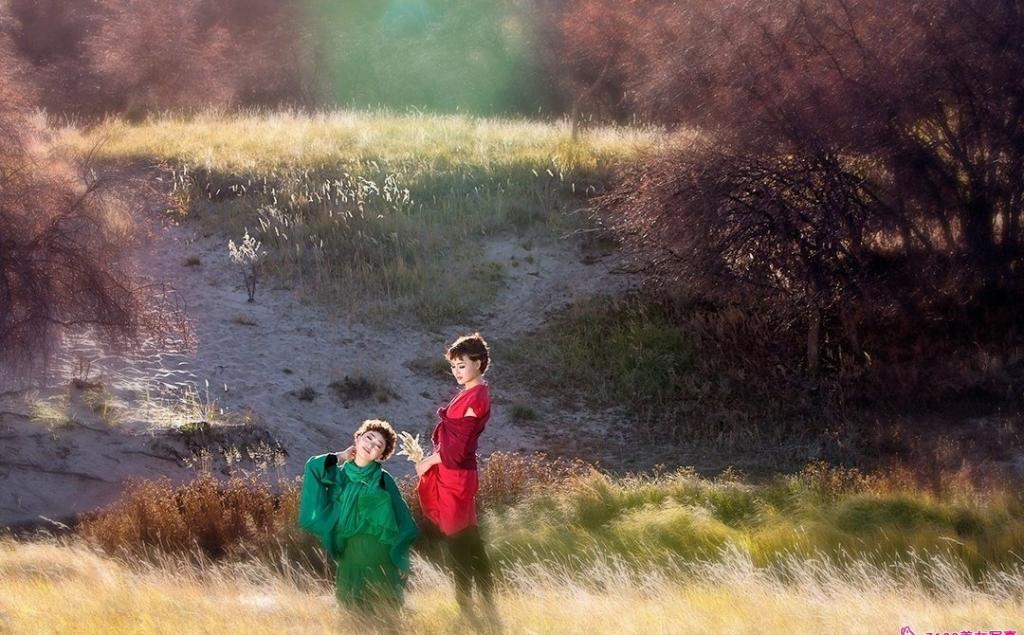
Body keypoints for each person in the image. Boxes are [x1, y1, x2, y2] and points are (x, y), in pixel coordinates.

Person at [415, 332, 499, 626]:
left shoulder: (476, 396)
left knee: (457, 539)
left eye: (461, 365)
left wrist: (429, 460)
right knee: (469, 536)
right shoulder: (469, 393)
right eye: (453, 366)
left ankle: (466, 605)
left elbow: (458, 446)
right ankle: (486, 602)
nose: (456, 371)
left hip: (457, 474)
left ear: (478, 363)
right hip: (458, 472)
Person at [298, 419, 418, 611]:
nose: (371, 445)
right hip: (350, 554)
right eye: (369, 438)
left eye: (379, 445)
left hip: (380, 555)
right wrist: (340, 456)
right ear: (358, 437)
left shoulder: (384, 480)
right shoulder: (339, 476)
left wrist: (401, 557)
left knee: (383, 613)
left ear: (381, 455)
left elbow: (404, 522)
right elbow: (312, 468)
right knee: (351, 613)